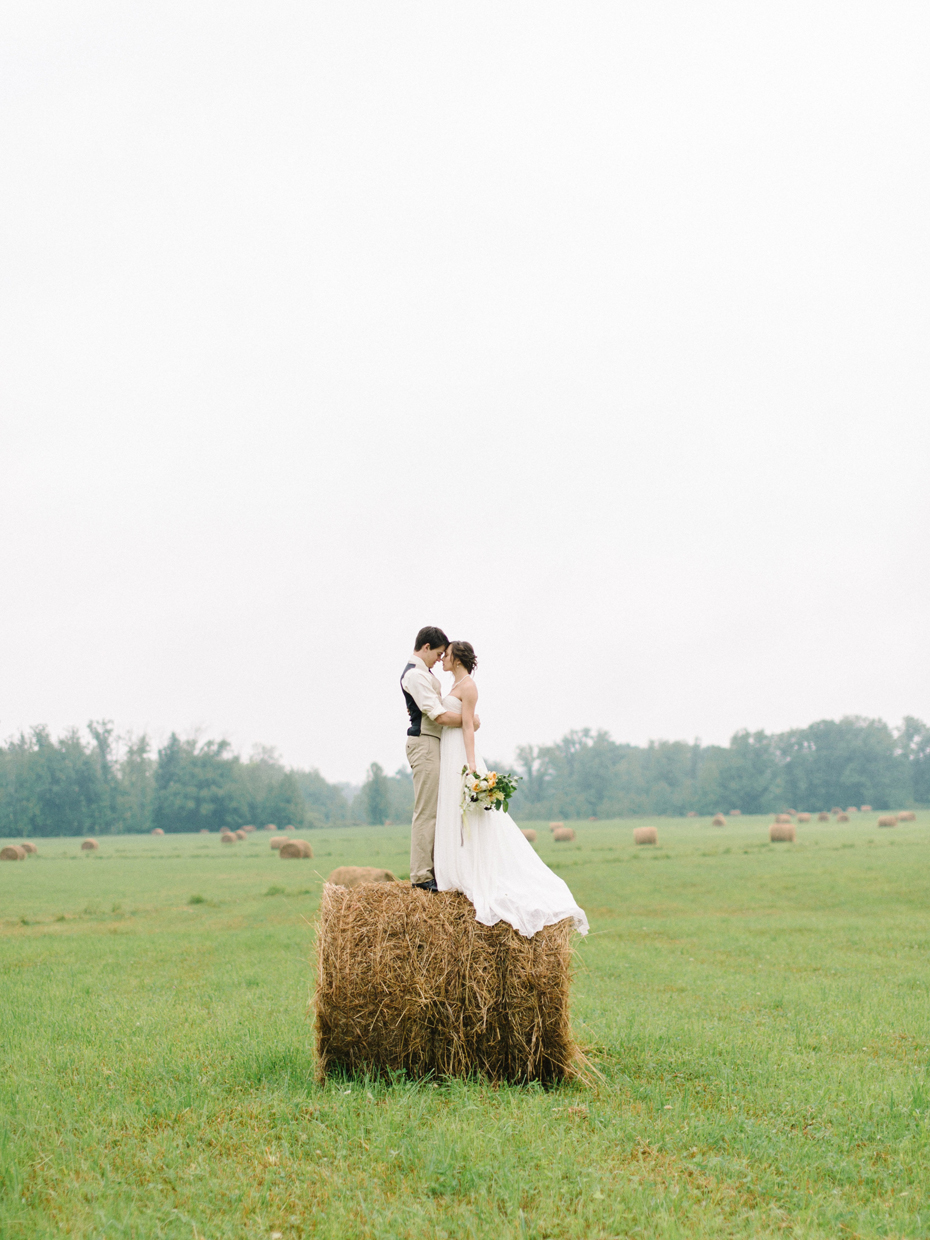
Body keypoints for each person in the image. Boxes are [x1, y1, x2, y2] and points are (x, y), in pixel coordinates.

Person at [433, 640, 588, 937]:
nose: (443, 660)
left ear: (458, 658)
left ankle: (474, 872)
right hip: (447, 749)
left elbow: (468, 726)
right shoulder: (451, 686)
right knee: (451, 811)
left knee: (468, 812)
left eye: (447, 656)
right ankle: (454, 870)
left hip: (460, 753)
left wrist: (471, 767)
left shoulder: (468, 687)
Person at [401, 626, 470, 891]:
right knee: (427, 810)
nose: (441, 660)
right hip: (425, 743)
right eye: (439, 654)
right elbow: (438, 715)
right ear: (426, 647)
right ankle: (421, 875)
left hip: (434, 743)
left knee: (437, 809)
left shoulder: (423, 673)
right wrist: (469, 721)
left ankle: (435, 868)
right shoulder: (416, 675)